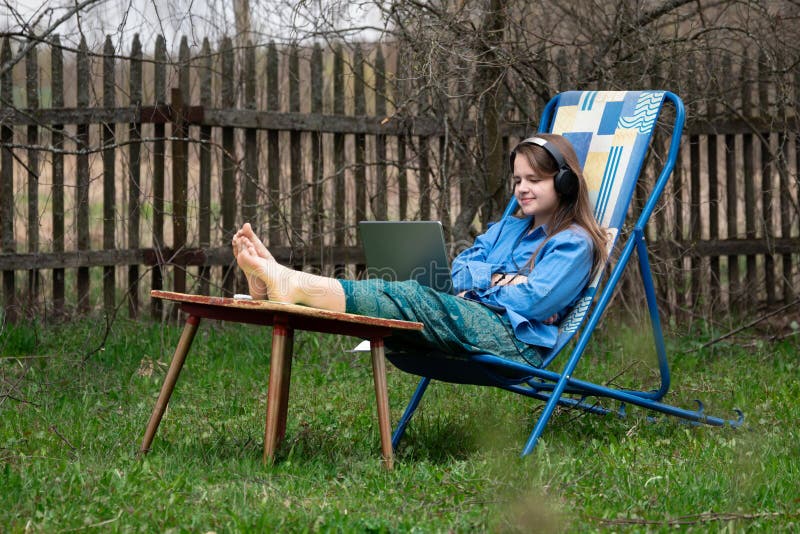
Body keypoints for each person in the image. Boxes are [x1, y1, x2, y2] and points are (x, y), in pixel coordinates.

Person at [231, 133, 607, 368]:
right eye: (517, 180)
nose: (522, 189)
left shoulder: (574, 242)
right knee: (402, 292)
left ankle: (290, 284)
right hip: (468, 314)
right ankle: (283, 285)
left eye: (535, 180)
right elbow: (461, 268)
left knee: (410, 296)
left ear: (565, 183)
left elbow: (532, 301)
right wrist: (499, 279)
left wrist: (484, 284)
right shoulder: (509, 226)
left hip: (516, 340)